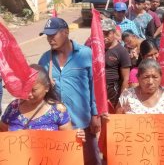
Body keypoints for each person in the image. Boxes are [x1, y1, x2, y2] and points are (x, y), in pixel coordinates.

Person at [38, 17, 101, 165]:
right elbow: (36, 86)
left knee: (90, 160)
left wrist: (95, 114)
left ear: (66, 32)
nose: (50, 39)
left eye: (53, 35)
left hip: (82, 122)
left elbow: (95, 85)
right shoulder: (45, 59)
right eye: (47, 36)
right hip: (56, 126)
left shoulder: (86, 54)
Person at [0, 64, 85, 143]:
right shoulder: (13, 107)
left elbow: (69, 141)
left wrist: (77, 137)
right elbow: (2, 131)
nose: (29, 94)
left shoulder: (58, 110)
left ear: (47, 88)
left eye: (34, 90)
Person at [102, 19, 132, 111]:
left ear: (114, 33)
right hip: (98, 91)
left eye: (107, 34)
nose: (104, 37)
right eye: (101, 33)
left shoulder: (121, 51)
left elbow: (126, 79)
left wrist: (121, 101)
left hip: (113, 93)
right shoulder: (96, 48)